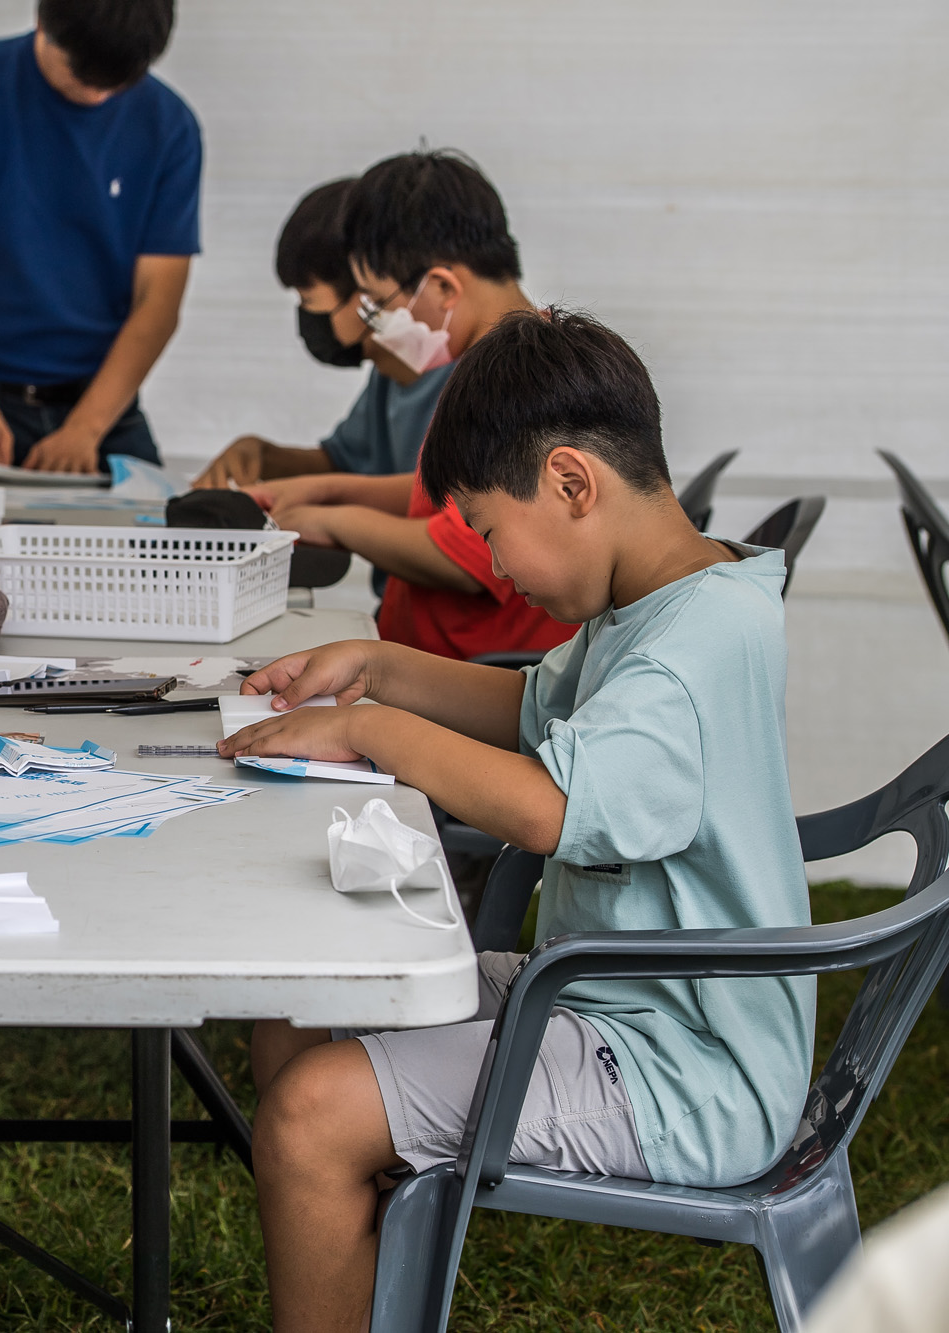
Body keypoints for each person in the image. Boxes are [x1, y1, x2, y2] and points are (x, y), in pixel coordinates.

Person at [222, 310, 813, 1333]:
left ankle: (334, 1178)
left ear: (571, 483)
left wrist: (370, 727)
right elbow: (527, 708)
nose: (497, 571)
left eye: (491, 532)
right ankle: (359, 1251)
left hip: (676, 1065)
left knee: (312, 1115)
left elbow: (547, 806)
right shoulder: (667, 602)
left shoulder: (685, 650)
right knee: (296, 993)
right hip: (608, 995)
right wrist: (377, 665)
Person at [248, 150, 574, 661]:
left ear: (443, 286)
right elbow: (453, 499)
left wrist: (332, 521)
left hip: (469, 672)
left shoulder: (516, 380)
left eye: (379, 304)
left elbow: (461, 556)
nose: (377, 326)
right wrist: (329, 489)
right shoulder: (498, 359)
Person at [0, 0, 200, 476]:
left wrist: (87, 429)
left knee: (165, 539)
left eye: (117, 81)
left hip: (101, 404)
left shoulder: (170, 127)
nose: (97, 95)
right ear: (42, 20)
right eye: (80, 74)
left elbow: (158, 302)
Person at [191, 176, 448, 488]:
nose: (306, 316)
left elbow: (434, 509)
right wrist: (261, 455)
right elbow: (343, 463)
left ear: (366, 288)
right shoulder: (388, 374)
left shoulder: (457, 380)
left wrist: (320, 510)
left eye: (309, 300)